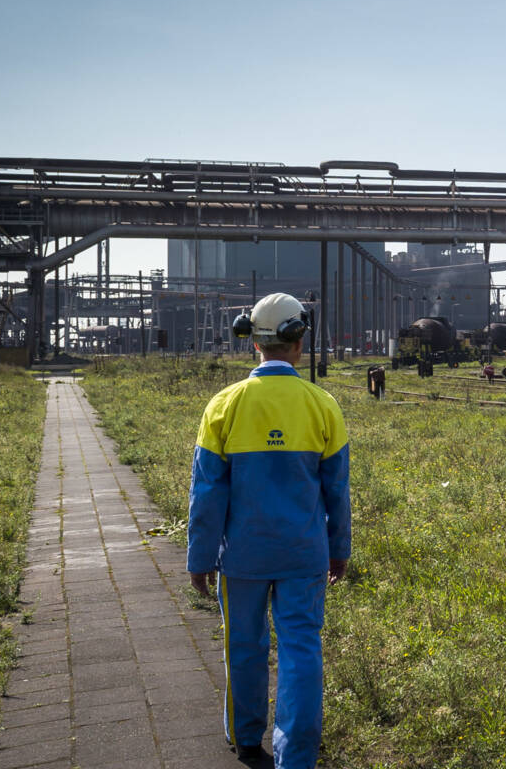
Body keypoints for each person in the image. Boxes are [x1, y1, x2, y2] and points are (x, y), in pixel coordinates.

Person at [188, 293, 351, 768]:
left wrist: (201, 559)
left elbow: (207, 494)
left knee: (244, 642)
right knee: (301, 646)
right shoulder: (323, 406)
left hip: (242, 555)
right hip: (304, 553)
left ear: (251, 342)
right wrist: (337, 549)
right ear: (298, 340)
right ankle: (296, 756)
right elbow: (337, 493)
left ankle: (245, 736)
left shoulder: (225, 405)